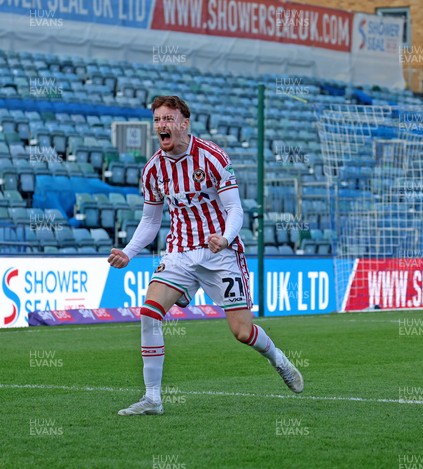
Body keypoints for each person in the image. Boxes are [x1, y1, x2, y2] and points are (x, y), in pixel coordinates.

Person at [108, 96, 304, 415]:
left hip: (220, 255)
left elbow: (234, 209)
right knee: (149, 313)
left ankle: (278, 359)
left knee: (242, 332)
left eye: (168, 119)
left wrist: (225, 238)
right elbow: (151, 220)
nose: (161, 125)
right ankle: (153, 399)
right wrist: (128, 253)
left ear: (185, 123)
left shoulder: (211, 157)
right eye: (157, 120)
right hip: (180, 252)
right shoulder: (153, 170)